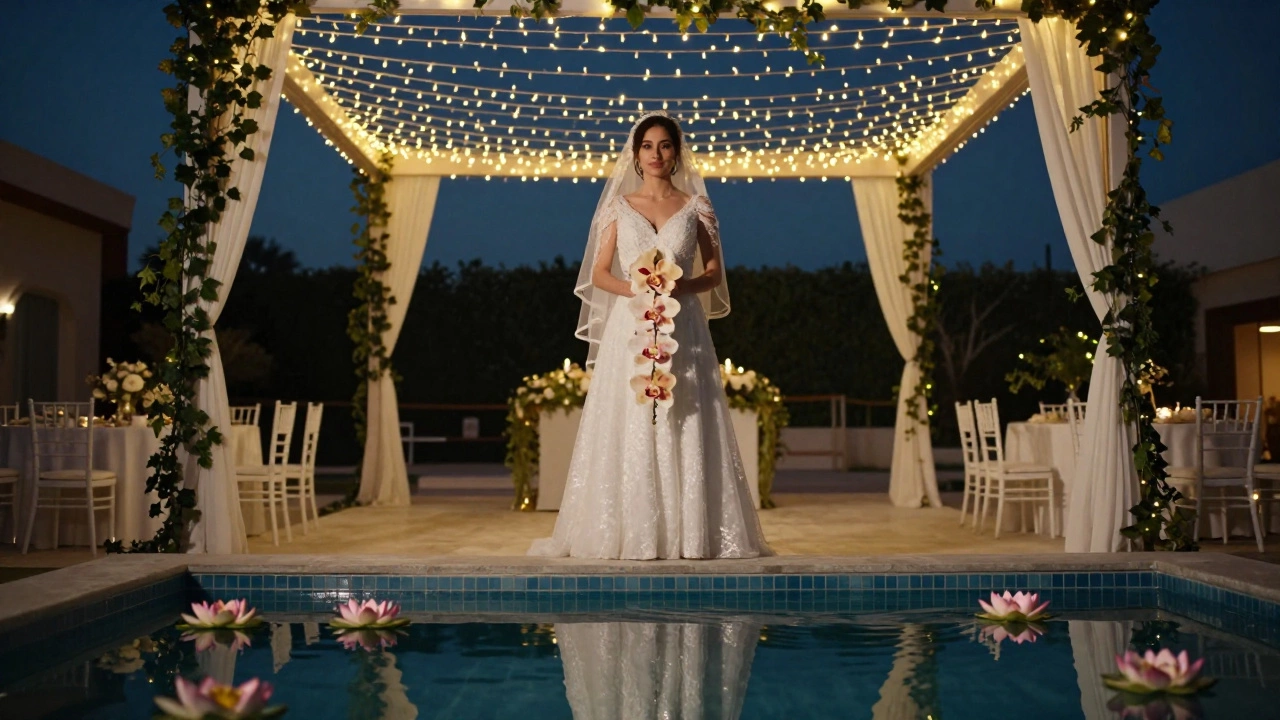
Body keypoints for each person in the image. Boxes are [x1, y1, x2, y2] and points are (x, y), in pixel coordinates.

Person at [528, 111, 773, 559]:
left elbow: (715, 272)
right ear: (636, 154)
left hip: (684, 325)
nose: (656, 154)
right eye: (647, 146)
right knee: (632, 418)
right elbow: (599, 274)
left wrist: (681, 286)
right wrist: (636, 289)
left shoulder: (697, 206)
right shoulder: (618, 207)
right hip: (631, 324)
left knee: (687, 415)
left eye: (664, 145)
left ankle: (692, 534)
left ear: (676, 152)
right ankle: (630, 533)